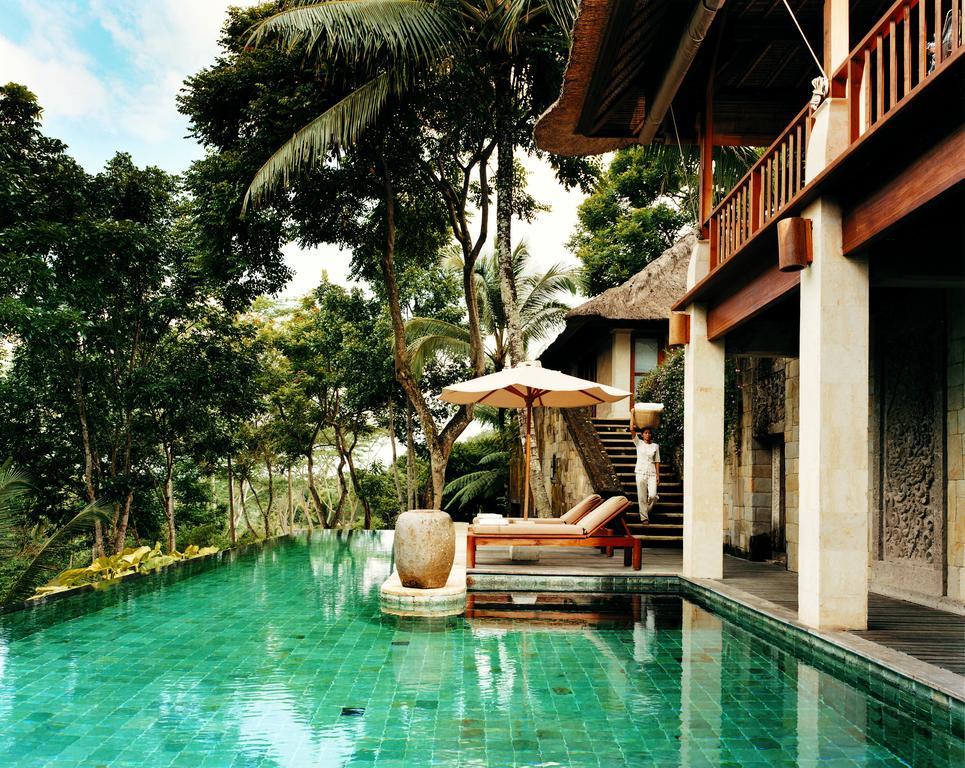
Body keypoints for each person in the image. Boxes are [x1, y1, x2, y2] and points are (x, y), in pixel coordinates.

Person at [629, 424, 660, 523]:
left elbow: (657, 461)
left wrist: (658, 475)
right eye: (646, 433)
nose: (648, 435)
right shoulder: (639, 443)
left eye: (649, 433)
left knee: (653, 495)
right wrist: (632, 416)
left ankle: (646, 511)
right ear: (642, 435)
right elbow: (631, 429)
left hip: (652, 473)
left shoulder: (655, 446)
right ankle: (644, 518)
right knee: (642, 496)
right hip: (640, 472)